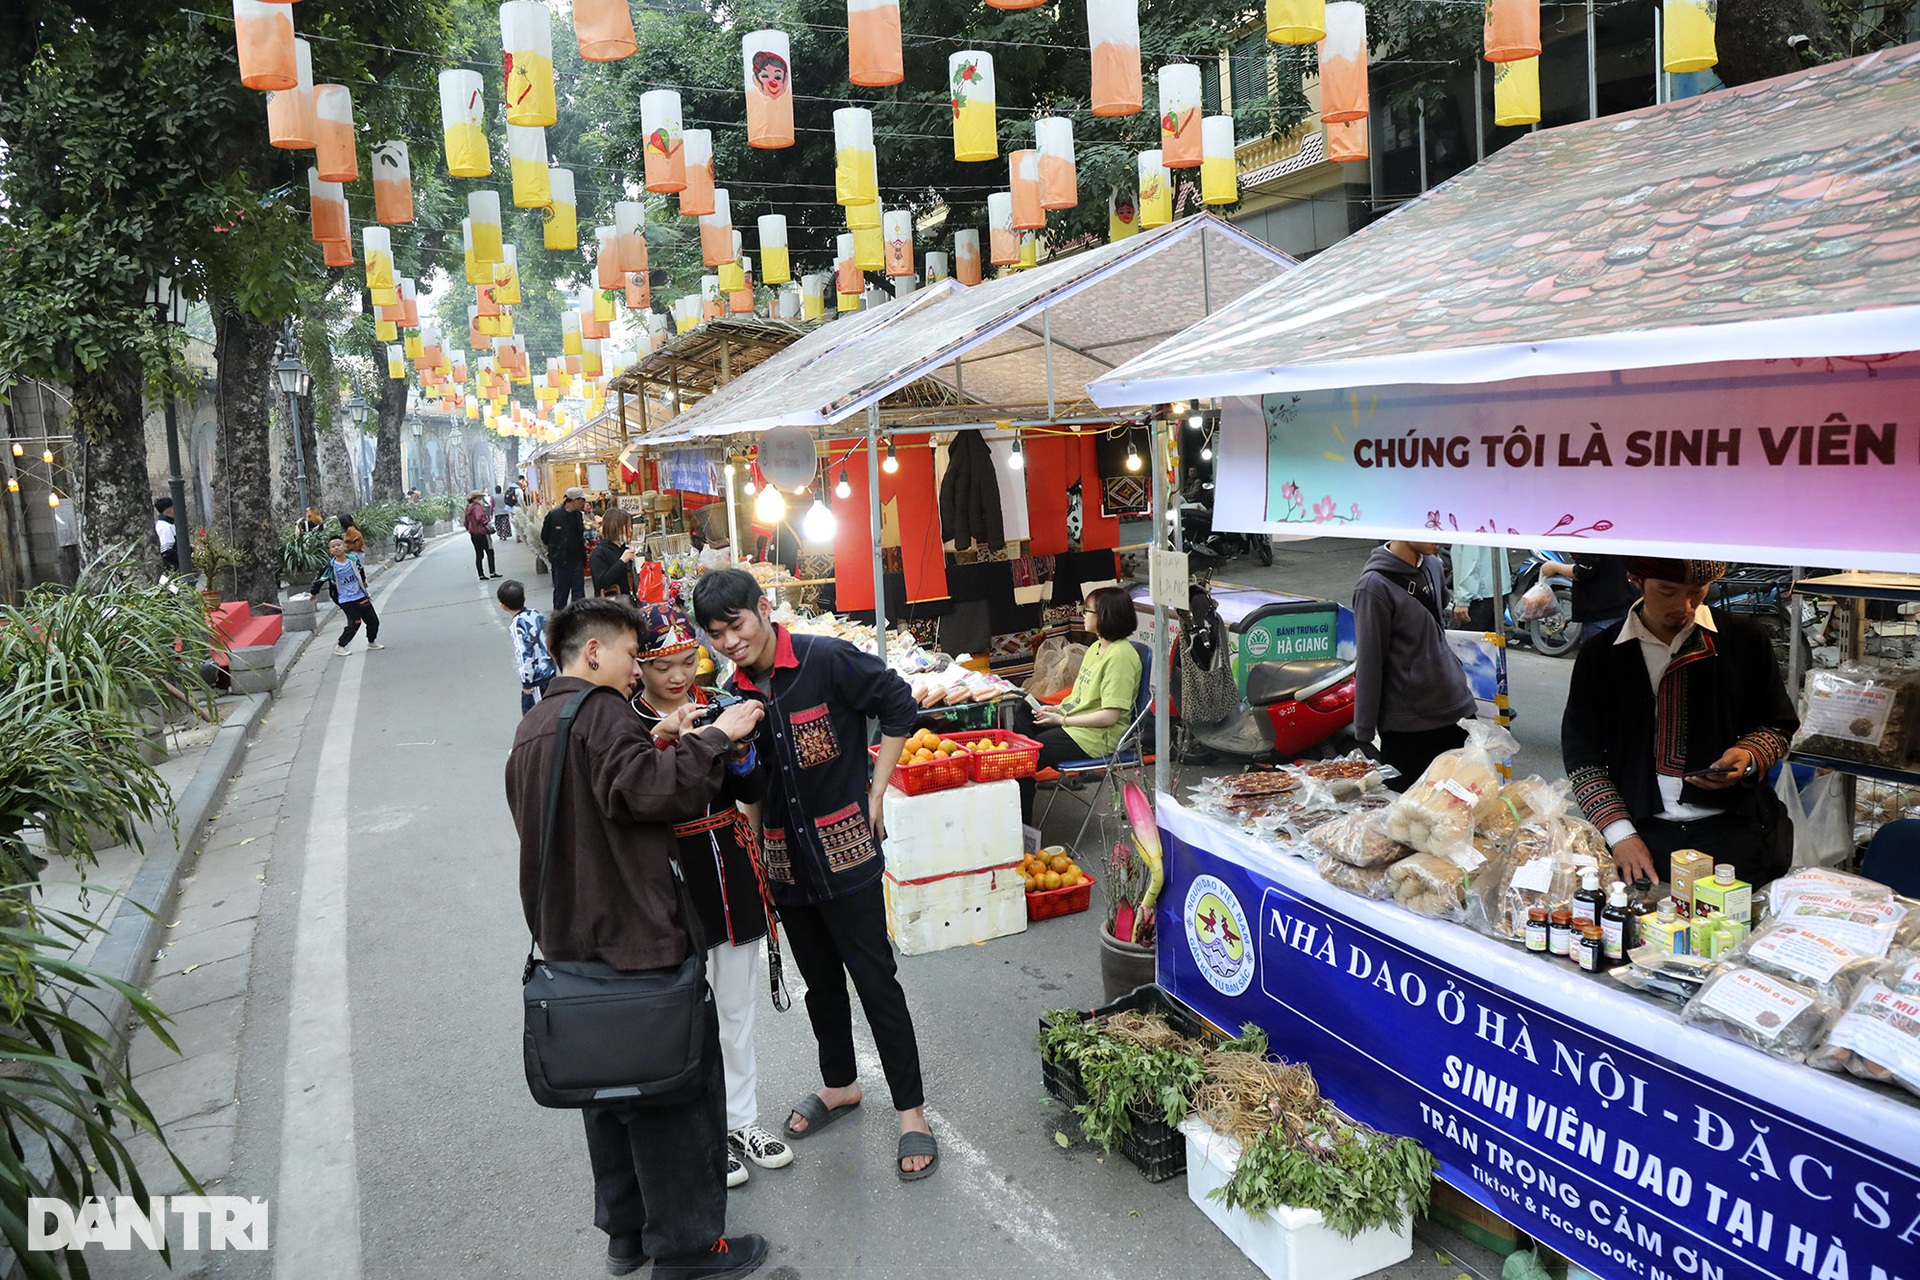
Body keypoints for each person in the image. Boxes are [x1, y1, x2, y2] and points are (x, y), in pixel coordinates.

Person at [503, 599, 770, 1279]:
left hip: (570, 942)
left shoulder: (535, 726)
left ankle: (627, 1237)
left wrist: (665, 739)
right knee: (672, 1095)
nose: (635, 671)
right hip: (636, 936)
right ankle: (686, 1248)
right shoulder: (602, 715)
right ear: (593, 653)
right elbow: (650, 795)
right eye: (629, 655)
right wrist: (715, 738)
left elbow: (596, 804)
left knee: (609, 1097)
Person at [689, 569, 939, 1183]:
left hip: (847, 852)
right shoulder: (732, 694)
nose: (729, 641)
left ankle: (912, 1112)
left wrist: (876, 793)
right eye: (716, 634)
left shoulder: (826, 660)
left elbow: (899, 706)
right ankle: (841, 1085)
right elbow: (750, 785)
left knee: (875, 981)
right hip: (784, 863)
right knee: (819, 984)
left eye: (737, 625)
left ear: (764, 608)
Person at [629, 604, 794, 1190]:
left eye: (685, 662)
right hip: (672, 877)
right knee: (685, 1015)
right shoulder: (630, 726)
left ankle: (741, 1120)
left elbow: (751, 787)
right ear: (638, 668)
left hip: (730, 862)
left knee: (736, 1010)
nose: (677, 677)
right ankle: (701, 1129)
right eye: (663, 665)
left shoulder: (721, 703)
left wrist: (742, 747)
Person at [1562, 558, 1798, 889]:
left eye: (1697, 592)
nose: (1683, 606)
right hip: (1643, 837)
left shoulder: (1744, 640)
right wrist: (1620, 835)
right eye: (1668, 591)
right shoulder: (1601, 655)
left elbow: (1777, 724)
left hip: (1735, 835)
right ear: (1636, 581)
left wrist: (1748, 756)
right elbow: (1583, 757)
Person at [1005, 586, 1142, 825]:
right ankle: (1022, 767)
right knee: (1019, 705)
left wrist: (1062, 720)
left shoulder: (1121, 656)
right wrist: (1056, 710)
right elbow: (1081, 698)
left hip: (1097, 736)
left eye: (1087, 610)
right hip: (1074, 724)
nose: (1082, 614)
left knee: (1024, 757)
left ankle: (1021, 826)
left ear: (1105, 616)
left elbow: (1109, 716)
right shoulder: (1096, 648)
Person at [1352, 540, 1476, 789]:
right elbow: (1369, 662)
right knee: (1410, 816)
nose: (1440, 537)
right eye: (1429, 526)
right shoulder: (1373, 588)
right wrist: (1364, 732)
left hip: (1456, 710)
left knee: (1462, 808)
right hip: (1409, 727)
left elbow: (1437, 620)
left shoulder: (1433, 565)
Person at [1538, 552, 1637, 646]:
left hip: (1601, 614)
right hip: (1625, 610)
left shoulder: (1594, 539)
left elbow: (1583, 570)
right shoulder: (1622, 538)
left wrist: (1555, 567)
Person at [311, 537, 383, 656]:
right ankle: (340, 645)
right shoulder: (331, 566)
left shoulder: (353, 560)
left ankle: (371, 641)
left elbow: (360, 570)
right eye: (333, 546)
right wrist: (314, 593)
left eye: (339, 544)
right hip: (345, 599)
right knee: (355, 622)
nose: (337, 548)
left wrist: (364, 581)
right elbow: (320, 579)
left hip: (360, 595)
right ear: (331, 551)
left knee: (373, 621)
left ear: (344, 546)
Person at [497, 578, 557, 715]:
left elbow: (524, 653)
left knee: (535, 715)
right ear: (524, 597)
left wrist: (526, 682)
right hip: (549, 670)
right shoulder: (536, 614)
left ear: (503, 605)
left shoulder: (517, 625)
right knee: (552, 709)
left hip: (536, 677)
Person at [541, 486, 589, 613]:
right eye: (582, 500)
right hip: (560, 561)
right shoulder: (554, 515)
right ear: (574, 500)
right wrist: (555, 550)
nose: (584, 503)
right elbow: (544, 537)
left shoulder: (578, 515)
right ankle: (558, 620)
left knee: (579, 594)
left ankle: (578, 619)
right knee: (561, 593)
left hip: (577, 559)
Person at [1449, 543, 1499, 635]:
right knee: (1488, 646)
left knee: (1460, 644)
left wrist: (1463, 600)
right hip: (1497, 591)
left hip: (1477, 596)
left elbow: (1471, 560)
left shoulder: (1471, 528)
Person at [591, 507, 641, 598]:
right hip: (611, 607)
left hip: (628, 602)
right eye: (628, 526)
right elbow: (602, 582)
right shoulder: (599, 553)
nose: (630, 531)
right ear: (616, 528)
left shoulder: (623, 549)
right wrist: (622, 561)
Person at [465, 489, 500, 580]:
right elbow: (479, 517)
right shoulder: (477, 507)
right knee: (490, 551)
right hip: (482, 533)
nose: (481, 499)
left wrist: (470, 529)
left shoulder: (468, 508)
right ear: (475, 498)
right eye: (480, 497)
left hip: (473, 534)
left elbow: (465, 522)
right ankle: (492, 572)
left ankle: (481, 574)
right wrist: (486, 523)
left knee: (479, 554)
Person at [154, 497, 178, 572]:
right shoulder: (164, 527)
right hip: (173, 568)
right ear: (171, 510)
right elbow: (167, 551)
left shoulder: (168, 524)